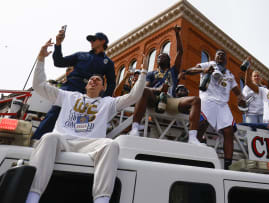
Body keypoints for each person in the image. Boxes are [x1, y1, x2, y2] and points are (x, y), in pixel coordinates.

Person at [26, 40, 146, 203]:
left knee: (110, 144)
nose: (93, 80)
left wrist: (144, 73)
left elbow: (133, 97)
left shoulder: (108, 103)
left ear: (103, 88)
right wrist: (41, 58)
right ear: (86, 85)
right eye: (91, 79)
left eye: (98, 80)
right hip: (63, 140)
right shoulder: (68, 96)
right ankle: (32, 197)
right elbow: (39, 85)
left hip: (90, 143)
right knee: (48, 137)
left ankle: (101, 200)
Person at [32, 30, 116, 140]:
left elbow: (111, 83)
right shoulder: (81, 55)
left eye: (93, 40)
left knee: (82, 120)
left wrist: (103, 99)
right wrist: (58, 44)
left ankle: (75, 144)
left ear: (102, 41)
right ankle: (37, 140)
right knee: (55, 112)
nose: (91, 42)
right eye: (90, 40)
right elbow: (59, 62)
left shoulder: (107, 62)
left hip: (88, 93)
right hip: (70, 87)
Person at [128, 25, 202, 145]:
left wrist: (177, 34)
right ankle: (135, 128)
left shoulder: (173, 71)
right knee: (145, 90)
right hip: (156, 99)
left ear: (168, 60)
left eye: (163, 56)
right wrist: (158, 89)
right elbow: (145, 87)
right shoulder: (152, 73)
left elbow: (180, 51)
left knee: (195, 100)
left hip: (170, 100)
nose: (159, 58)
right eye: (158, 57)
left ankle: (193, 137)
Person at [183, 49, 244, 169]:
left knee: (229, 131)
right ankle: (192, 150)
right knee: (203, 122)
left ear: (226, 59)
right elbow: (189, 71)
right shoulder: (209, 64)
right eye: (218, 54)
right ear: (215, 58)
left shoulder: (230, 75)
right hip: (208, 99)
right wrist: (203, 70)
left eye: (223, 55)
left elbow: (237, 92)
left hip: (222, 104)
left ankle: (228, 164)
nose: (220, 55)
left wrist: (241, 98)